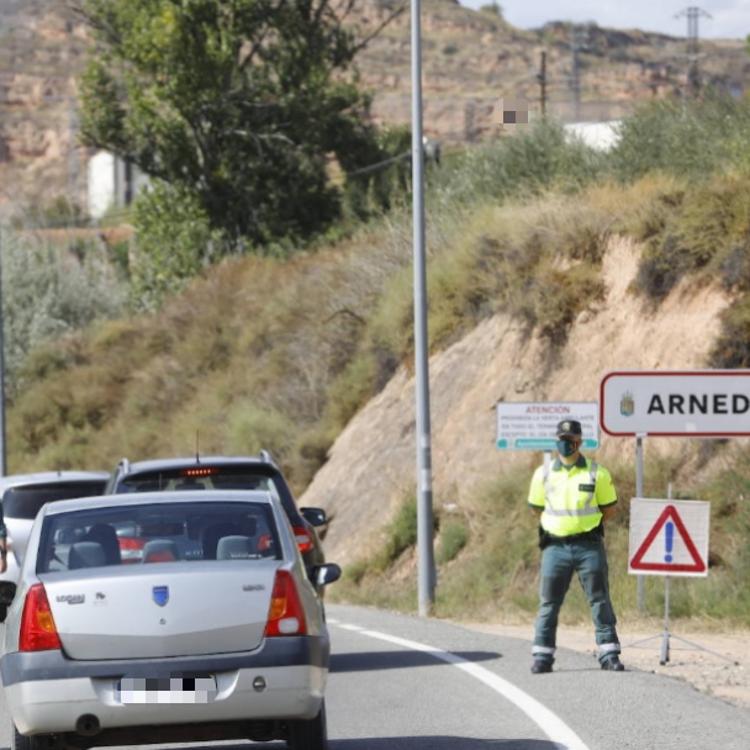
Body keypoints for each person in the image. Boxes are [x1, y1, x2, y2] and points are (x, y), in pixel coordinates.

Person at [527, 419, 624, 673]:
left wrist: (584, 525)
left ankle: (609, 653)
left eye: (569, 440)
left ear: (579, 442)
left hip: (588, 546)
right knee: (549, 602)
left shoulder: (596, 472)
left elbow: (610, 509)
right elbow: (536, 507)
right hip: (555, 548)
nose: (564, 444)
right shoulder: (543, 473)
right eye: (561, 439)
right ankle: (542, 656)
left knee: (599, 599)